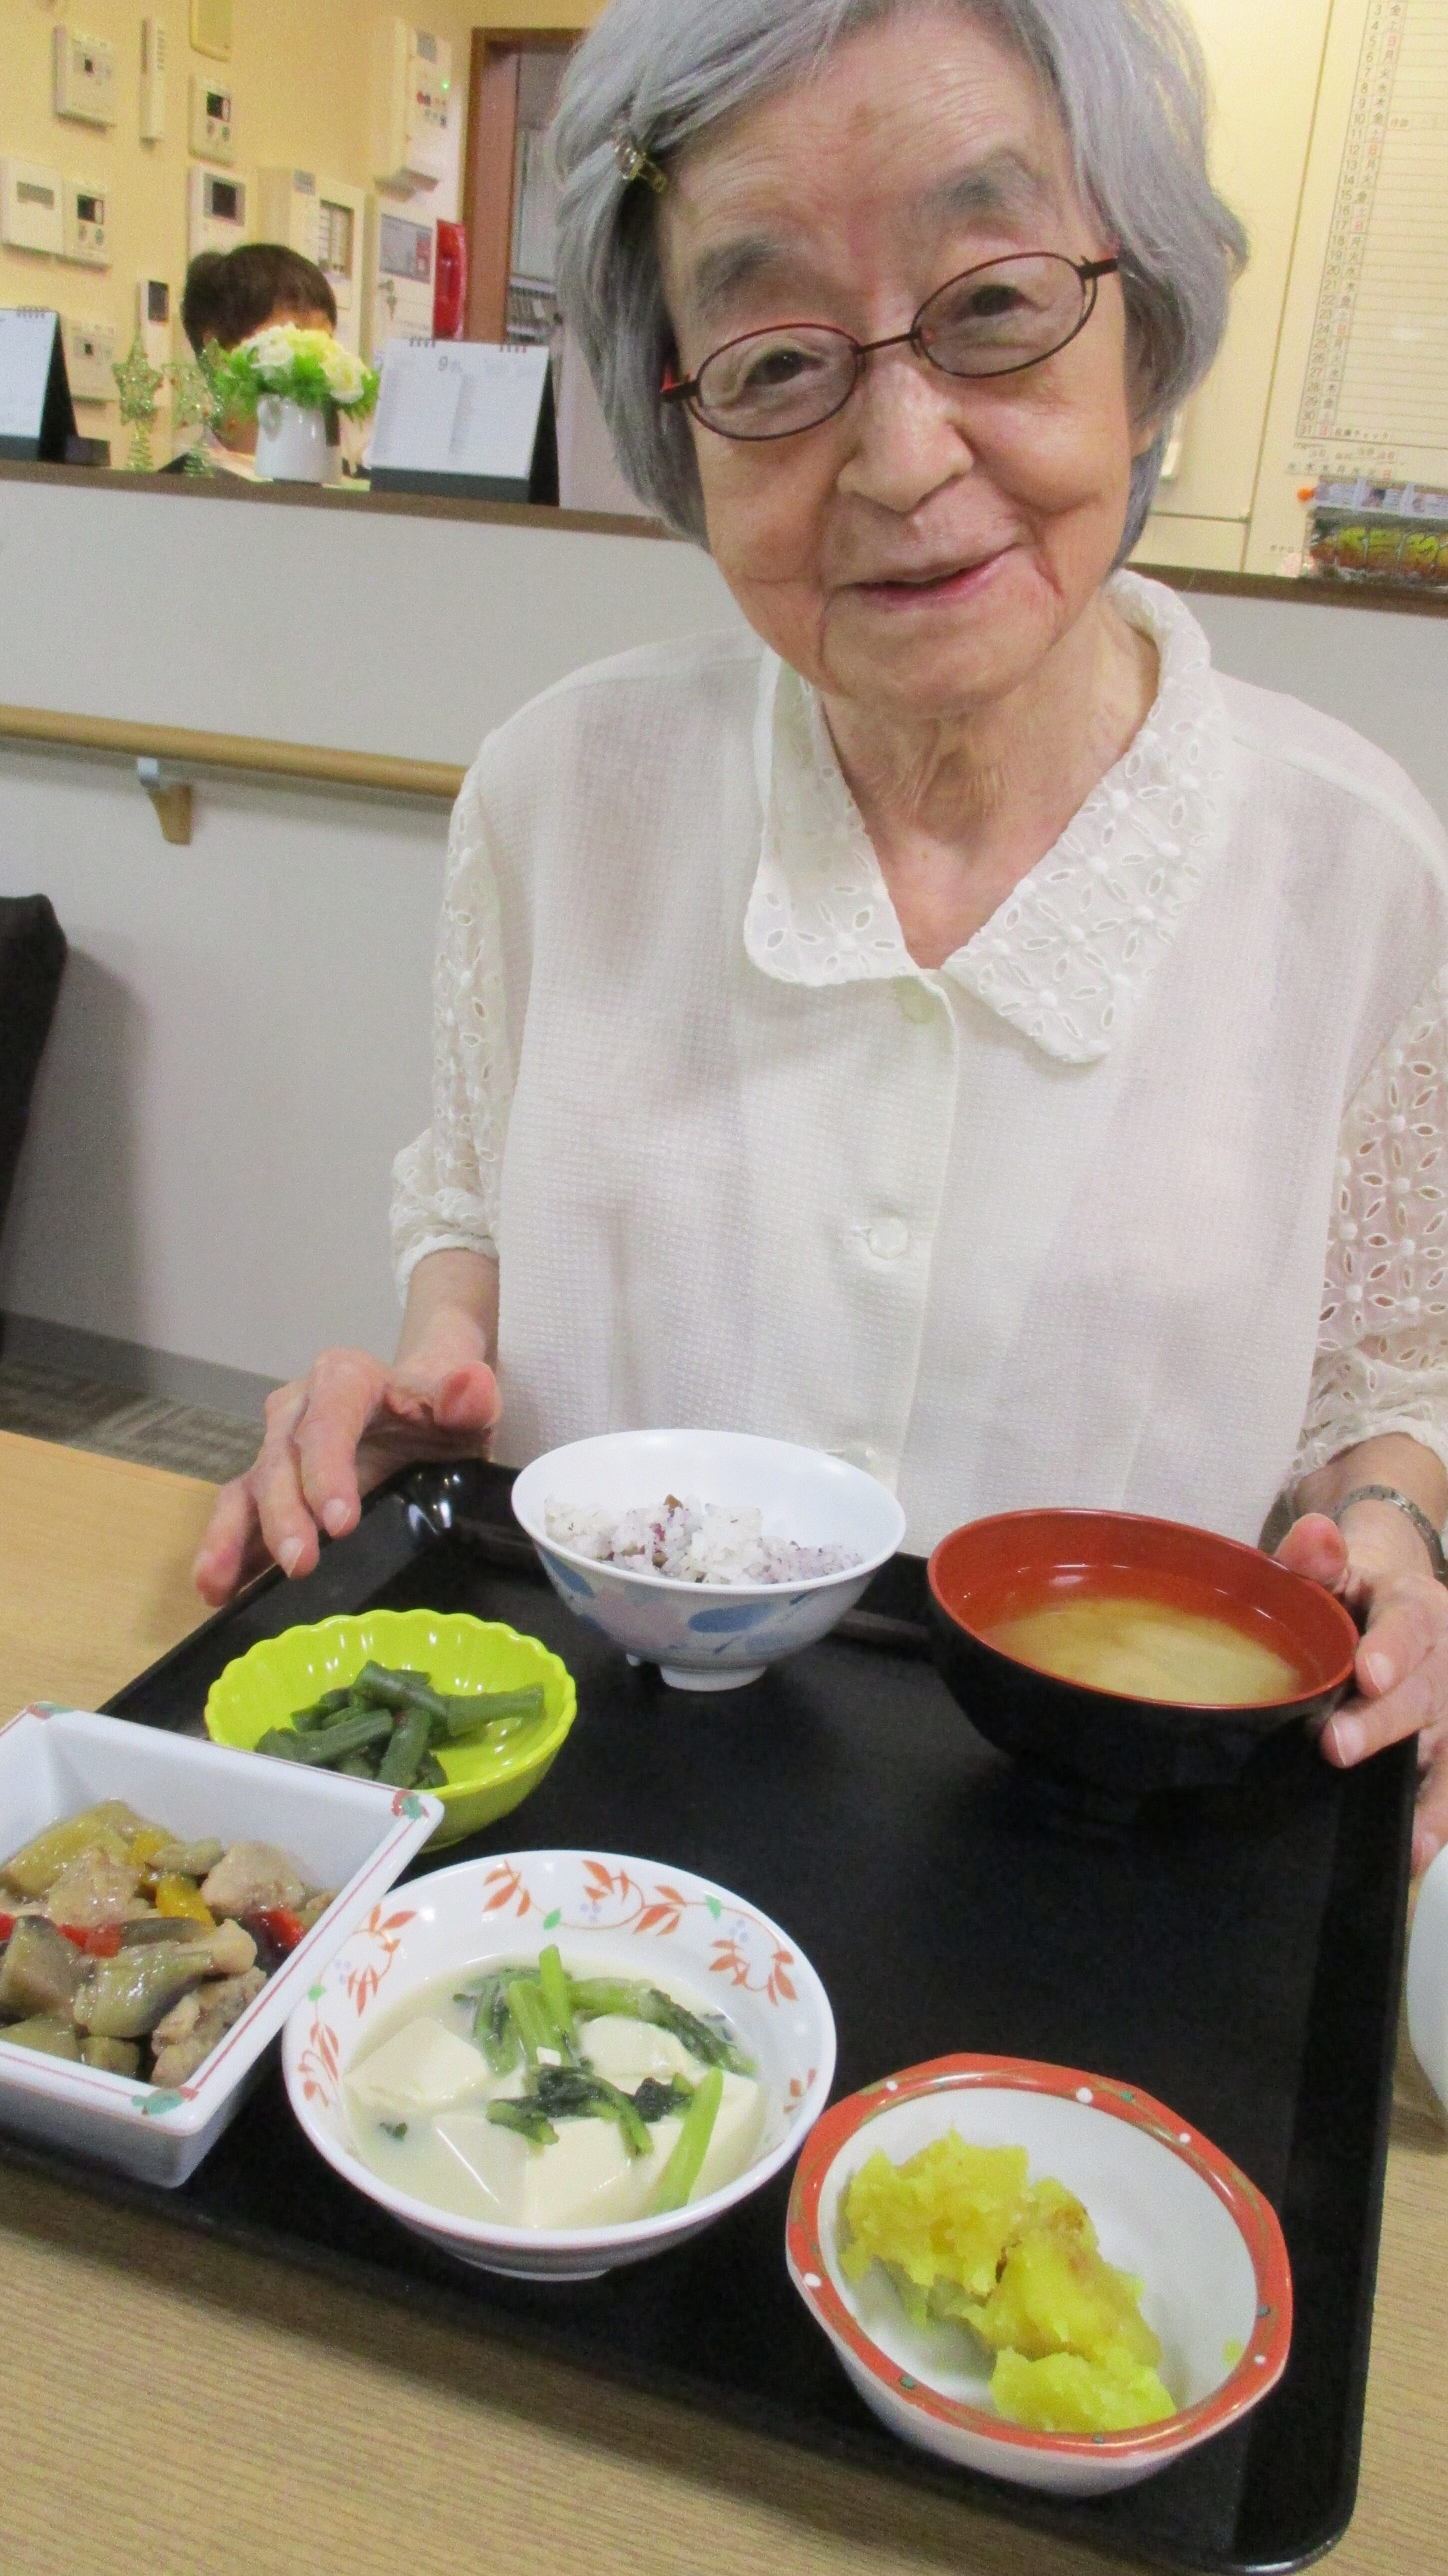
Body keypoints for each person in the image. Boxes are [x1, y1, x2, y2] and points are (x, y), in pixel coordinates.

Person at [195, 0, 1448, 1868]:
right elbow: (470, 1256)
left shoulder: (1353, 864)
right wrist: (413, 1413)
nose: (901, 455)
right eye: (776, 360)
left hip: (1111, 1868)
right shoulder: (560, 793)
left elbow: (1380, 1388)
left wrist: (1401, 1548)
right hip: (583, 1856)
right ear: (679, 407)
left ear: (1146, 322)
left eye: (996, 304)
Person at [172, 242, 338, 476]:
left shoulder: (343, 490)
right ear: (218, 351)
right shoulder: (168, 492)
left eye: (325, 341)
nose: (317, 362)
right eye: (293, 337)